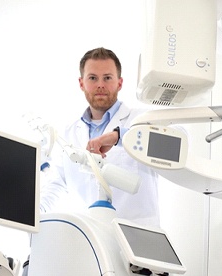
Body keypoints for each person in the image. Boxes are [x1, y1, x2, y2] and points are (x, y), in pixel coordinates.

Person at [40, 47, 160, 226]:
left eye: (107, 78)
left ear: (119, 83)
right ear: (81, 83)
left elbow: (178, 142)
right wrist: (36, 213)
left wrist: (119, 137)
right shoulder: (68, 133)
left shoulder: (142, 120)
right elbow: (57, 183)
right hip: (88, 236)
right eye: (93, 78)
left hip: (135, 233)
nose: (100, 85)